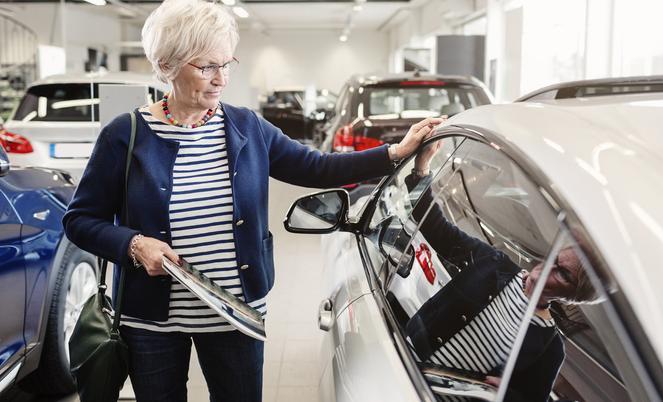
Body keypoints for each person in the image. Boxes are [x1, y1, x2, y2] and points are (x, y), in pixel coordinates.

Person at [61, 0, 442, 401]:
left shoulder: (247, 127)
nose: (221, 78)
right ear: (168, 65)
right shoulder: (126, 135)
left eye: (227, 64)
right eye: (207, 66)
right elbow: (80, 220)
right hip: (152, 322)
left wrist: (394, 154)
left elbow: (317, 168)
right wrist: (135, 245)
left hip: (235, 312)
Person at [402, 141, 597, 402]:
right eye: (555, 259)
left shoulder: (549, 350)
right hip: (400, 365)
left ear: (573, 296)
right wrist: (421, 170)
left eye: (563, 274)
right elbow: (434, 227)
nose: (548, 268)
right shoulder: (494, 263)